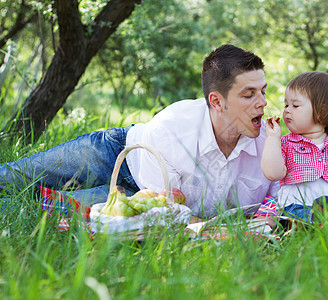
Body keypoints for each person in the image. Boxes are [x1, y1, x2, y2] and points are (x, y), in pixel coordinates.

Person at [0, 44, 279, 220]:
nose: (263, 103)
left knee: (38, 207)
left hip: (140, 197)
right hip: (116, 153)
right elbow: (177, 215)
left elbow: (280, 205)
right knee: (13, 178)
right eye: (249, 94)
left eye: (263, 91)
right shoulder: (174, 126)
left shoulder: (271, 149)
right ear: (217, 101)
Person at [261, 71, 328, 223]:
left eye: (295, 105)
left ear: (322, 112)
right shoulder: (285, 143)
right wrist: (272, 138)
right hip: (294, 209)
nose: (287, 110)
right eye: (286, 105)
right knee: (294, 220)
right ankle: (318, 223)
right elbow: (273, 173)